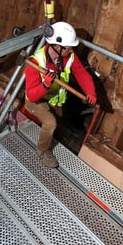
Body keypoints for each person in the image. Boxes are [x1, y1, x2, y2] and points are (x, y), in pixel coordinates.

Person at [24, 21, 97, 168]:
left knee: (59, 123)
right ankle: (42, 151)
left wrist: (91, 92)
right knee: (51, 123)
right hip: (36, 101)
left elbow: (82, 74)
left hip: (55, 100)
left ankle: (53, 139)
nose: (71, 49)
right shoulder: (36, 62)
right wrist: (45, 84)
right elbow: (32, 95)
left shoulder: (68, 57)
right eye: (69, 47)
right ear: (57, 46)